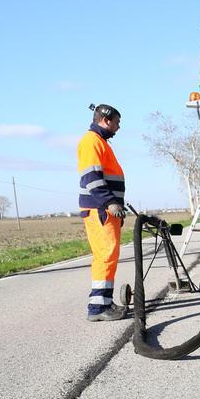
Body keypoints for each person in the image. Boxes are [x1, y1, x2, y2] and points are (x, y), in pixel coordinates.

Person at [78, 103, 127, 321]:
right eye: (116, 123)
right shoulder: (91, 142)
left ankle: (104, 302)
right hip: (100, 209)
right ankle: (98, 308)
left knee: (108, 256)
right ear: (105, 120)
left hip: (105, 209)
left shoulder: (100, 143)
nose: (118, 127)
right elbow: (91, 178)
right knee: (106, 256)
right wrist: (110, 203)